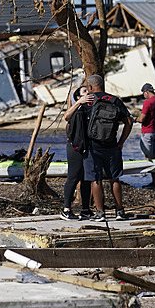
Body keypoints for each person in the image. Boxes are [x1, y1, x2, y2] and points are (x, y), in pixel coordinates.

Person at [83, 74, 134, 222]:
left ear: (91, 87)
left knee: (96, 180)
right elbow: (129, 122)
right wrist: (121, 142)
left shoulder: (88, 101)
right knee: (114, 179)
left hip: (92, 147)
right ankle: (119, 211)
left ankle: (100, 213)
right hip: (112, 146)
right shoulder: (114, 100)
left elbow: (73, 121)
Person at [60, 85, 95, 220]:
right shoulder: (77, 108)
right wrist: (79, 102)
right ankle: (66, 209)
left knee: (86, 179)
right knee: (73, 178)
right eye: (84, 91)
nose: (88, 93)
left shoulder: (91, 108)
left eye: (88, 90)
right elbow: (66, 116)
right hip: (74, 148)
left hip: (87, 147)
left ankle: (85, 209)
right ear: (78, 97)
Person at [136, 83, 155, 190]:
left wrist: (135, 119)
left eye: (143, 93)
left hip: (147, 132)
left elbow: (142, 119)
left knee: (149, 158)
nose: (143, 95)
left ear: (146, 92)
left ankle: (154, 183)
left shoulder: (148, 102)